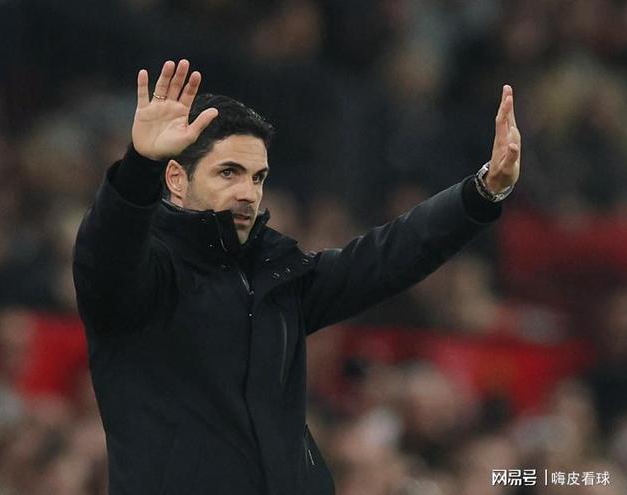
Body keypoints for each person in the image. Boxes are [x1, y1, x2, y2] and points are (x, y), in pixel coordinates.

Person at [72, 59, 520, 495]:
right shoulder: (141, 277)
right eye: (228, 173)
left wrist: (482, 192)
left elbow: (386, 256)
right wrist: (139, 168)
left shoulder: (277, 276)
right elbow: (104, 257)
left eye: (258, 177)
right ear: (175, 178)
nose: (247, 193)